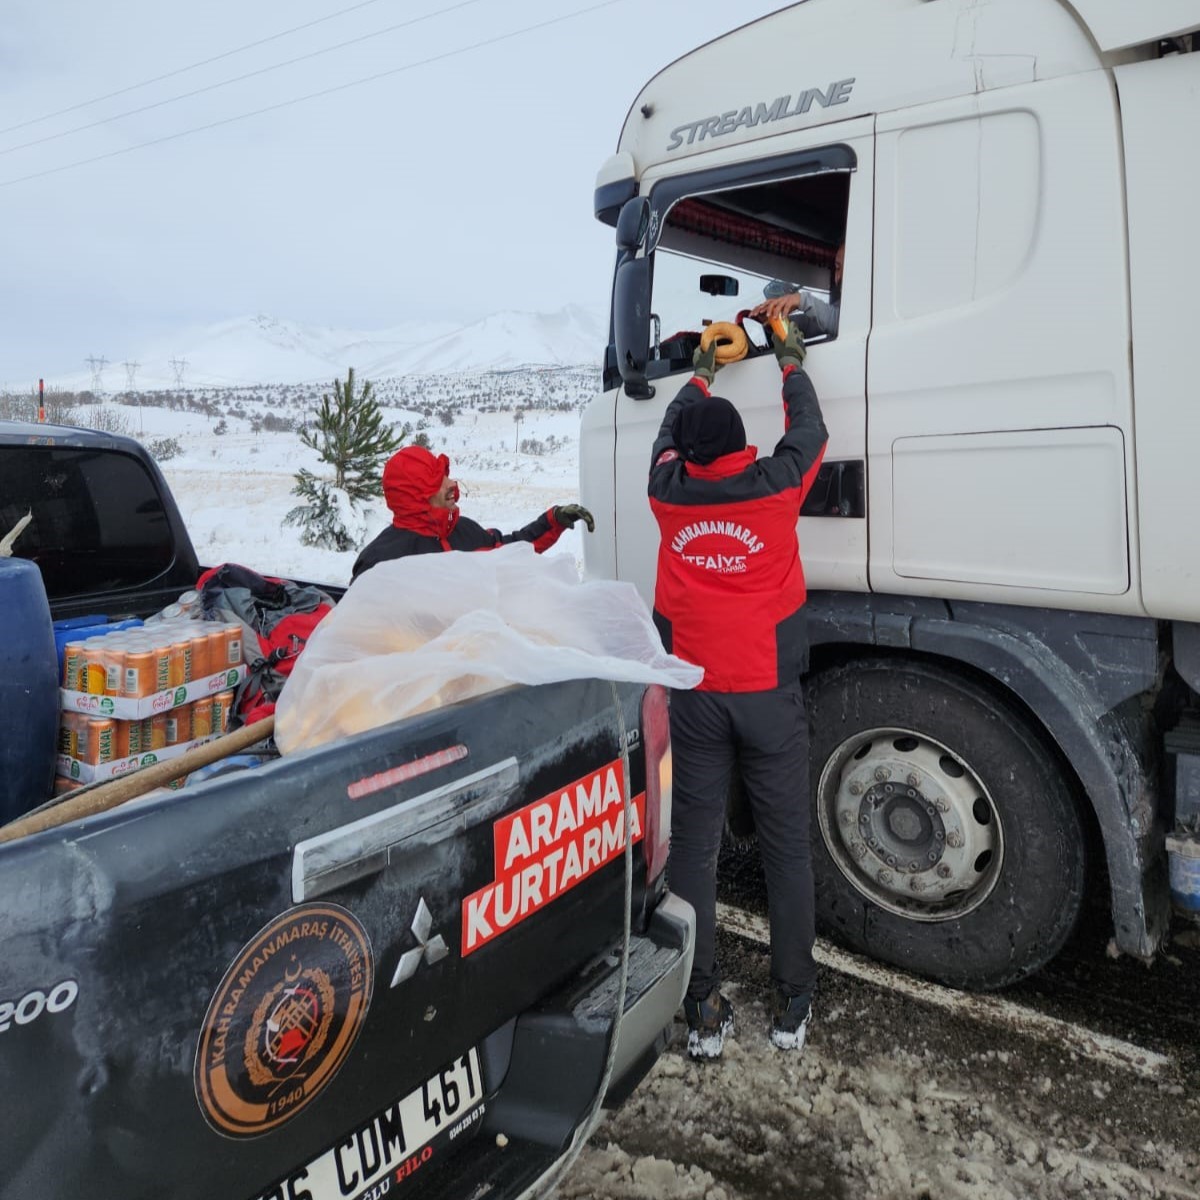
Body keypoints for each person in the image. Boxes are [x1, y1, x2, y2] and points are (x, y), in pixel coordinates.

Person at [647, 317, 828, 1061]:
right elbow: (809, 431)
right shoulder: (777, 485)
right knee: (786, 850)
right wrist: (788, 357)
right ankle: (792, 1002)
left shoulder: (667, 491)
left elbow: (666, 432)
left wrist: (699, 371)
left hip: (695, 696)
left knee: (694, 852)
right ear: (739, 445)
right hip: (768, 697)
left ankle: (701, 1007)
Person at [351, 445, 593, 580]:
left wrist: (553, 520)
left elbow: (510, 550)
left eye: (446, 475)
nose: (451, 484)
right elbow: (357, 635)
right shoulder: (380, 562)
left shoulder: (463, 531)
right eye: (438, 480)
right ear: (416, 496)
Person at [748, 241, 844, 340]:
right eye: (837, 268)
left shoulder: (850, 313)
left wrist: (801, 300)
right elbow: (809, 325)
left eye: (846, 267)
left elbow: (841, 323)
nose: (840, 276)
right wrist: (774, 321)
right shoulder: (839, 306)